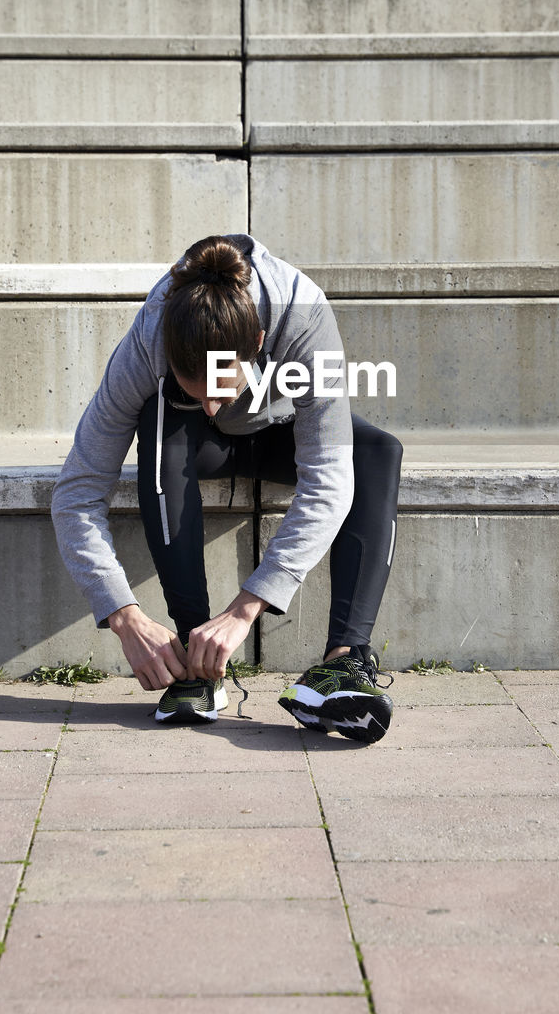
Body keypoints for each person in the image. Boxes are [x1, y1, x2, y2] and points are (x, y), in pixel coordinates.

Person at [51, 233, 402, 744]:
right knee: (158, 418)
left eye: (221, 389)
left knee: (376, 452)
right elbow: (77, 490)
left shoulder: (302, 314)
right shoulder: (151, 334)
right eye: (200, 394)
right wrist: (122, 615)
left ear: (256, 343)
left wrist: (246, 608)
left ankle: (344, 663)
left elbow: (328, 476)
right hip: (194, 449)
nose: (213, 407)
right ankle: (197, 661)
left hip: (280, 431)